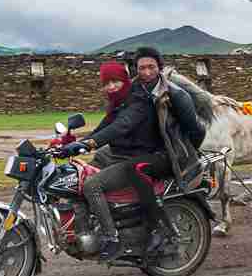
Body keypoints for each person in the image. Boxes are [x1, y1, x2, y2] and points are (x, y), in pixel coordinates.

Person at [64, 48, 206, 261]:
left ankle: (117, 237)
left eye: (151, 67)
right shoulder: (129, 92)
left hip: (166, 153)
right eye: (142, 68)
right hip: (132, 151)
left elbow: (124, 125)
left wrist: (187, 153)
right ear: (135, 70)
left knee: (97, 183)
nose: (147, 72)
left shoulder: (169, 95)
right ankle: (98, 218)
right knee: (86, 170)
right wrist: (79, 143)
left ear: (160, 67)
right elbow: (109, 124)